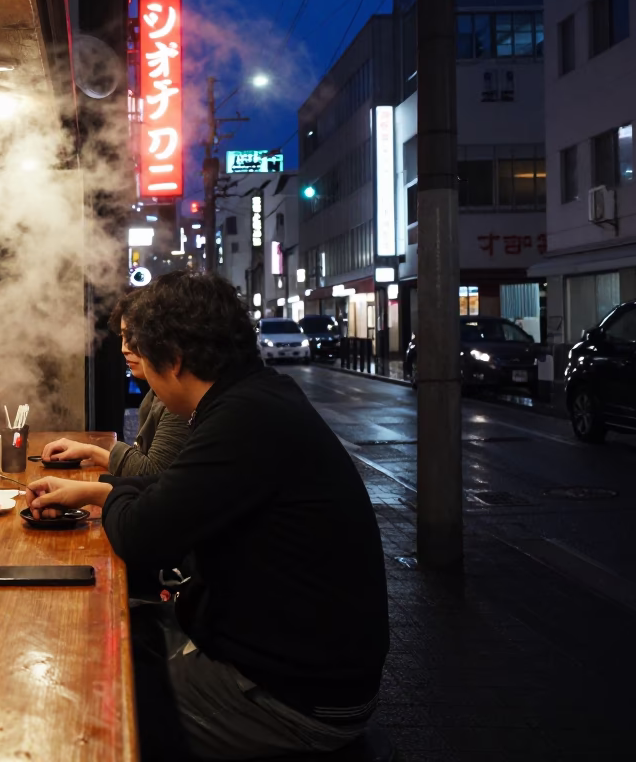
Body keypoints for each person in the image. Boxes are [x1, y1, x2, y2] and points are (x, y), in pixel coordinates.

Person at [27, 271, 389, 761]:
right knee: (114, 641)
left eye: (148, 368)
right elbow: (178, 490)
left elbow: (143, 536)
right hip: (301, 668)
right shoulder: (258, 395)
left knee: (86, 709)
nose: (146, 381)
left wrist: (105, 498)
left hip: (294, 699)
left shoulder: (243, 418)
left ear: (174, 361)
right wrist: (94, 490)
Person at [41, 293, 189, 478]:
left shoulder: (178, 399)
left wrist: (91, 454)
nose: (124, 348)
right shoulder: (158, 391)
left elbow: (152, 474)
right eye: (123, 337)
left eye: (133, 338)